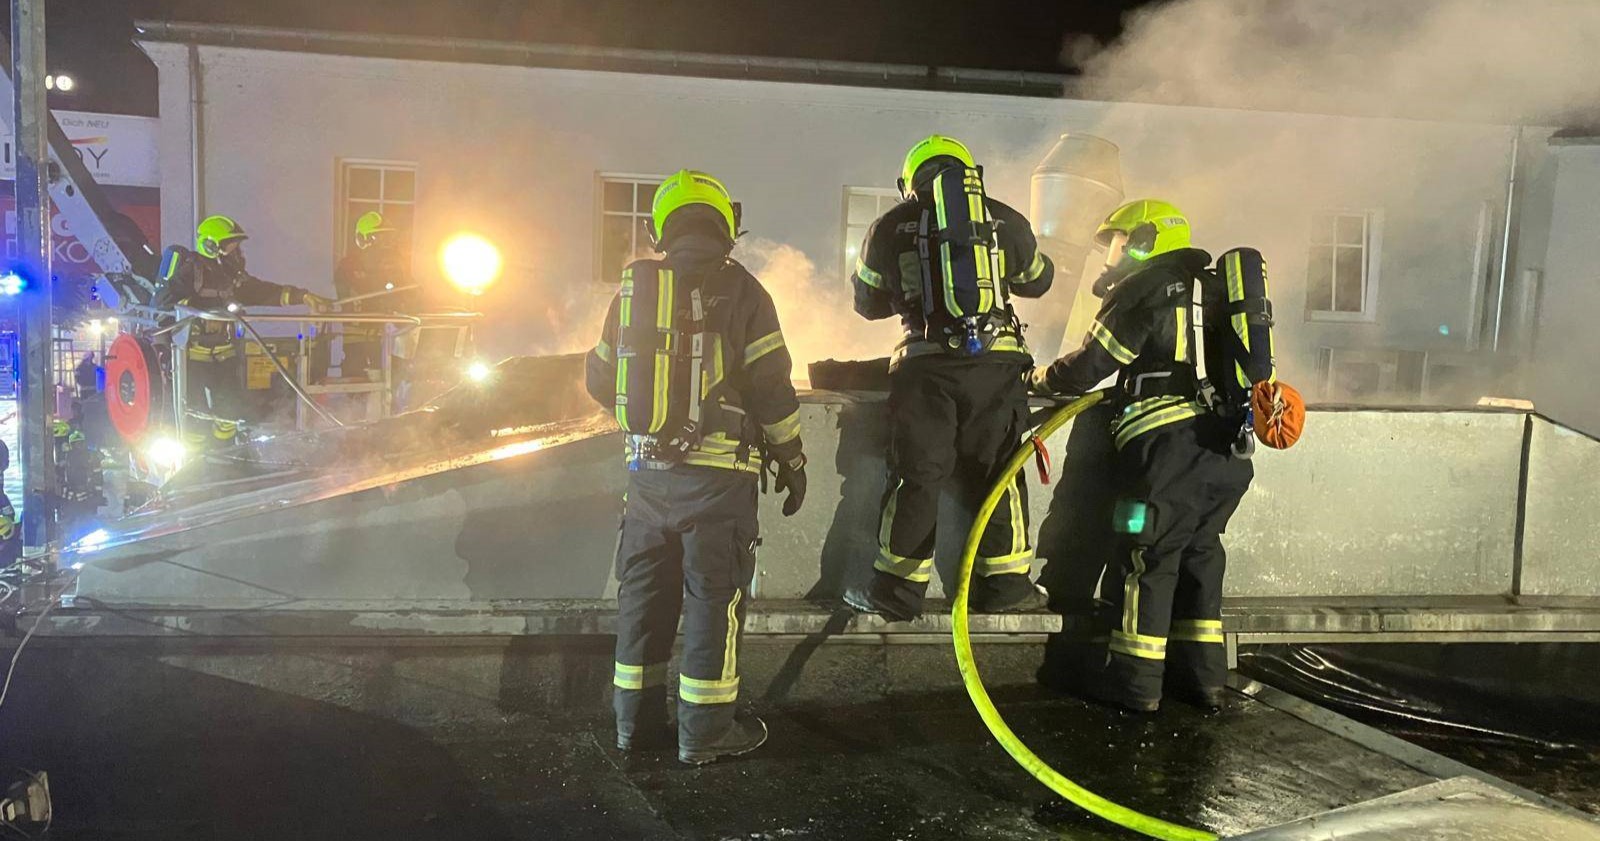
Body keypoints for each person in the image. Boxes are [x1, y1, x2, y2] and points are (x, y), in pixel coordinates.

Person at [585, 170, 808, 765]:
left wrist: (649, 422)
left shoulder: (632, 290)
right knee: (713, 601)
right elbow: (773, 388)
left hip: (647, 482)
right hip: (718, 484)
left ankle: (633, 729)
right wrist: (792, 457)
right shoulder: (744, 291)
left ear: (663, 226)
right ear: (725, 225)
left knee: (643, 599)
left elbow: (599, 377)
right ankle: (705, 735)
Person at [1029, 199, 1255, 713]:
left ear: (1146, 240)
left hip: (1166, 454)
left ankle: (1135, 686)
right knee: (1199, 556)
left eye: (1117, 241)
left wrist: (1038, 379)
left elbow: (1092, 364)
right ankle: (1202, 682)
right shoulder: (1212, 290)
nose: (1112, 255)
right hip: (1226, 452)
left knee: (1146, 559)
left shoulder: (1146, 286)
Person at [843, 135, 1055, 621]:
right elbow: (1037, 281)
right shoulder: (1002, 217)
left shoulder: (891, 224)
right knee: (1000, 474)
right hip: (997, 368)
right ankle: (1004, 588)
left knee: (916, 477)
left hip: (924, 368)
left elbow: (866, 304)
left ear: (909, 181)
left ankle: (896, 596)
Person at [155, 215, 329, 446]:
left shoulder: (230, 275)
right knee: (194, 414)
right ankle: (194, 463)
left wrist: (302, 296)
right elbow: (165, 305)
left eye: (236, 246)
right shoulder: (189, 271)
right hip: (192, 357)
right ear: (210, 245)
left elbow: (258, 291)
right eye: (230, 246)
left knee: (230, 412)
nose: (236, 252)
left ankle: (224, 455)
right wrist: (200, 319)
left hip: (224, 353)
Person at [333, 211, 412, 379]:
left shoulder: (397, 264)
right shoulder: (349, 265)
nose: (385, 244)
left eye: (388, 238)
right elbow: (352, 296)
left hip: (391, 334)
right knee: (356, 379)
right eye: (379, 237)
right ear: (364, 239)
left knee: (394, 377)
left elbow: (412, 292)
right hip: (358, 336)